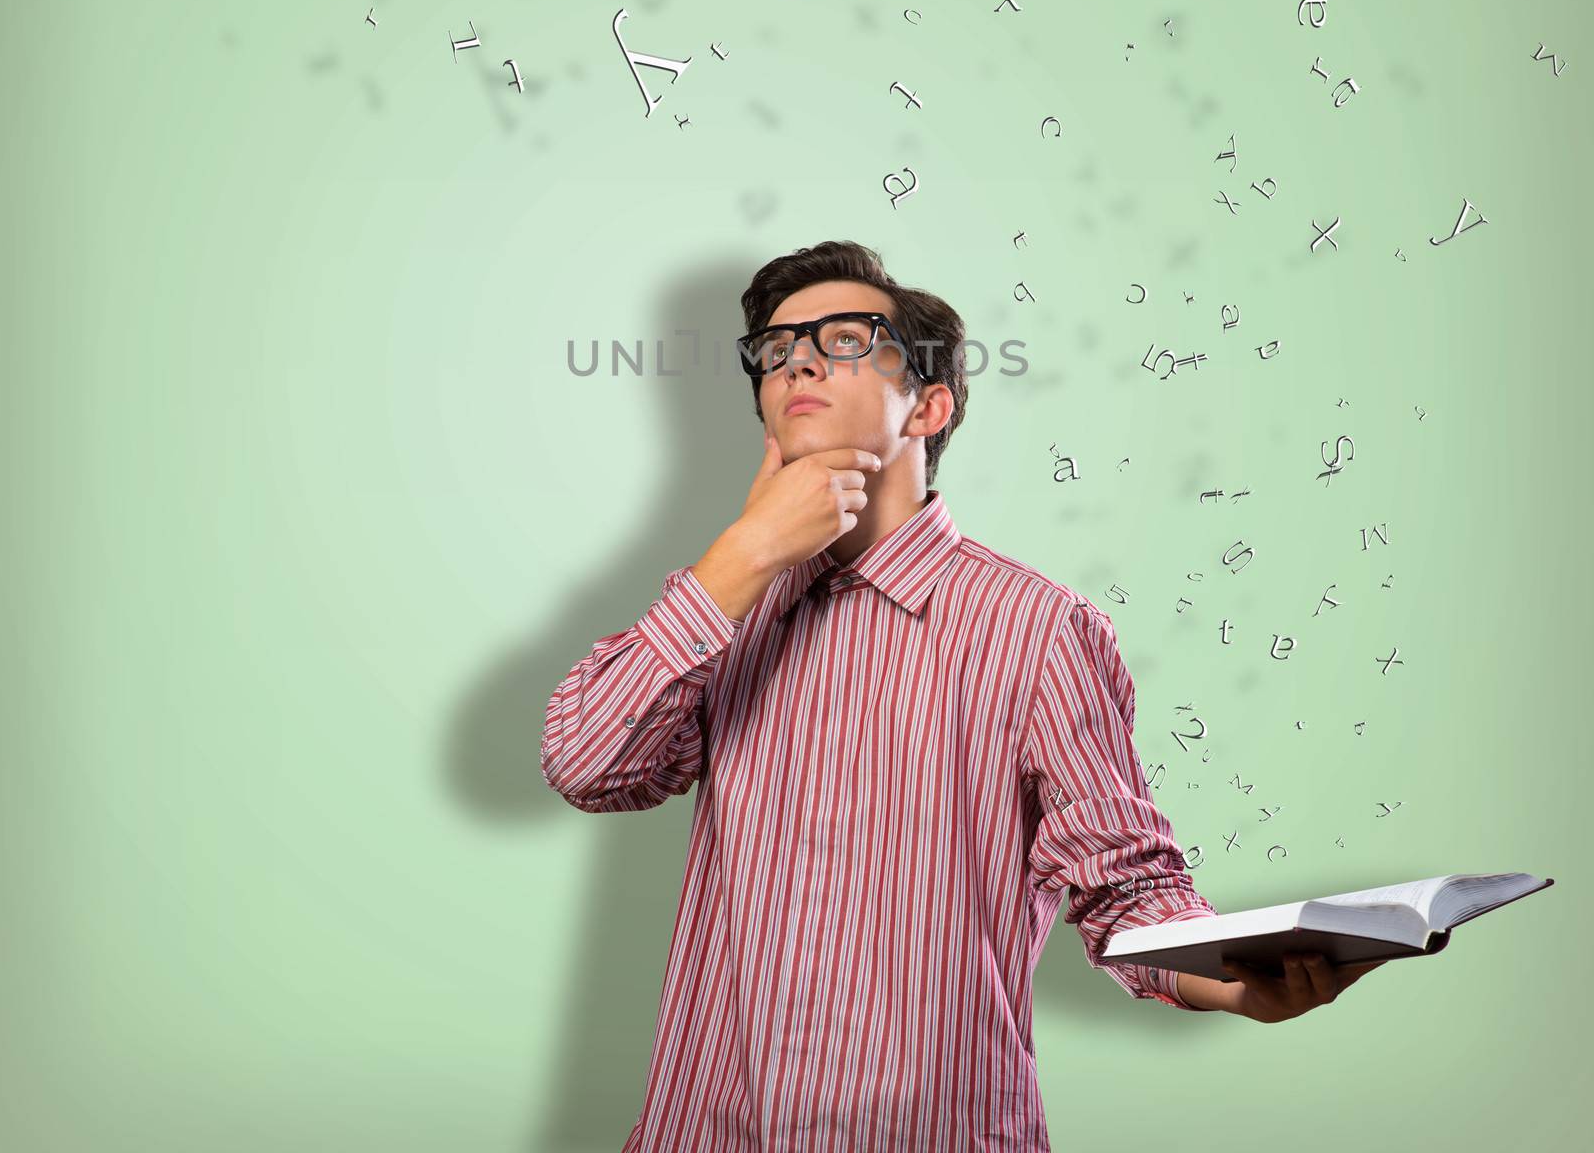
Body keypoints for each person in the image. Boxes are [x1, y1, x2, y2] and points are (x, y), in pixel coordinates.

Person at [542, 240, 1388, 1152]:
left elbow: (1124, 885)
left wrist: (1229, 980)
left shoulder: (1037, 629)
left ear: (930, 405)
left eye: (846, 337)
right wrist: (741, 557)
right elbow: (587, 764)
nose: (801, 361)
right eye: (777, 350)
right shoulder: (724, 605)